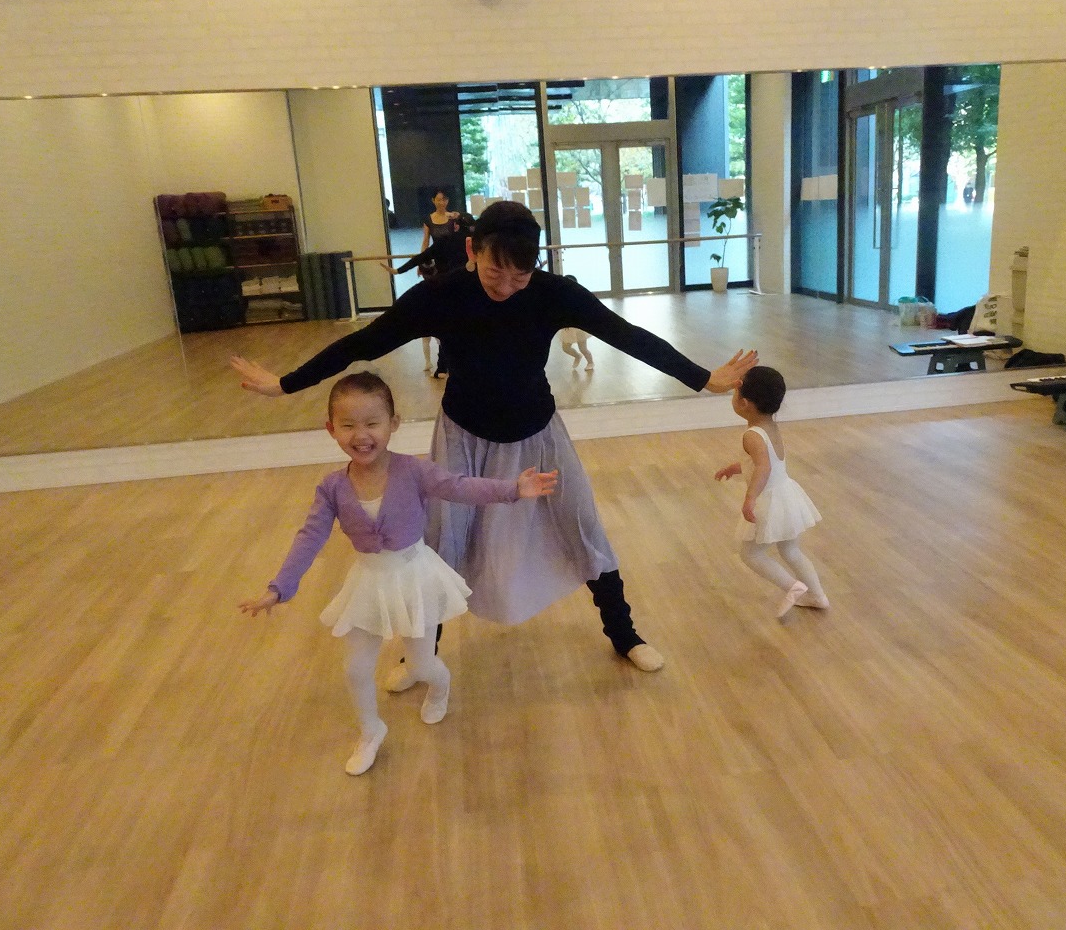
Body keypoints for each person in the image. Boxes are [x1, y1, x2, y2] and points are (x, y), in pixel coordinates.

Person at [231, 199, 757, 676]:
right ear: (471, 251)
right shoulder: (441, 296)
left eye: (519, 276)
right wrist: (285, 383)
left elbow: (627, 335)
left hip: (539, 433)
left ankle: (625, 635)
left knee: (583, 526)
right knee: (437, 543)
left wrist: (703, 378)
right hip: (463, 436)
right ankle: (422, 654)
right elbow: (363, 342)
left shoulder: (554, 293)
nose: (505, 286)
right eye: (493, 272)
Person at [238, 364, 558, 776]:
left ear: (394, 424)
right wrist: (279, 587)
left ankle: (439, 687)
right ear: (331, 429)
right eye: (348, 425)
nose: (361, 434)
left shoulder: (413, 471)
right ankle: (371, 731)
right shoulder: (332, 487)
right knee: (355, 668)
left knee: (423, 665)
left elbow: (459, 486)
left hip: (413, 576)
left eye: (372, 423)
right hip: (368, 581)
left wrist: (512, 489)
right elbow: (309, 537)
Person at [714, 366, 829, 618]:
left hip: (769, 501)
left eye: (735, 393)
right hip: (786, 495)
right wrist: (735, 468)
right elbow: (764, 462)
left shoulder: (751, 435)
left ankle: (794, 587)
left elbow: (763, 467)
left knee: (750, 554)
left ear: (744, 403)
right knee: (791, 551)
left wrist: (750, 498)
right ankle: (818, 596)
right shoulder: (770, 426)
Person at [386, 213, 477, 380]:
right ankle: (466, 365)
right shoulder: (476, 243)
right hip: (471, 291)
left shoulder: (444, 241)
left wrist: (398, 270)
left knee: (447, 329)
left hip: (447, 290)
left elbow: (421, 257)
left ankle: (442, 367)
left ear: (455, 226)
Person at [413, 187, 463, 373]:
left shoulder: (453, 217)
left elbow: (461, 237)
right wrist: (420, 263)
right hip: (438, 264)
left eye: (444, 199)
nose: (442, 202)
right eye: (439, 199)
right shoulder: (429, 220)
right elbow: (425, 242)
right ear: (433, 200)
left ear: (447, 201)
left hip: (454, 262)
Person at [558, 274, 595, 371]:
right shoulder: (561, 297)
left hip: (579, 327)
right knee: (565, 348)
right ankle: (577, 356)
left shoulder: (579, 296)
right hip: (567, 327)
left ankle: (590, 362)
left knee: (583, 348)